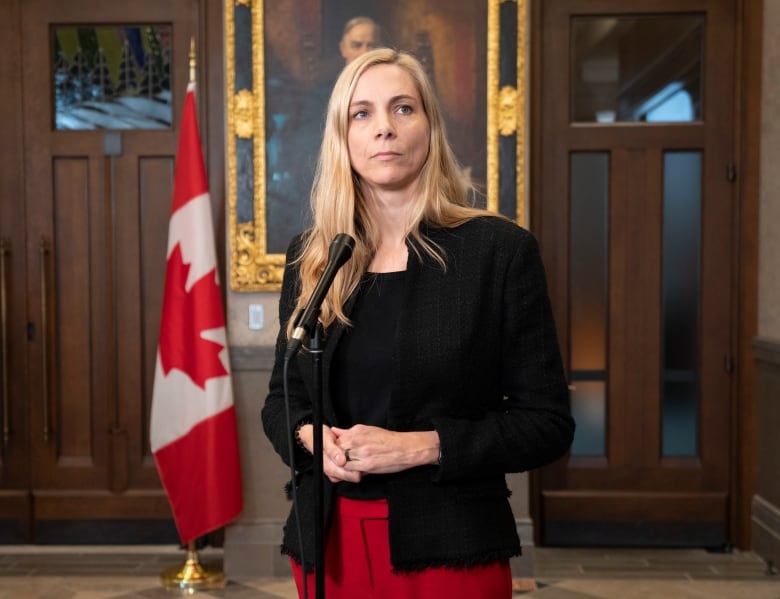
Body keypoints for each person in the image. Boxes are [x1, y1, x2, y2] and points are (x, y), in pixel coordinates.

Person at [261, 48, 575, 599]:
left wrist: (419, 446)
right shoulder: (311, 256)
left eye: (403, 109)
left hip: (452, 547)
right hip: (328, 542)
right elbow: (280, 402)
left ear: (430, 126)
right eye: (362, 113)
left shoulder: (498, 252)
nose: (384, 128)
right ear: (343, 136)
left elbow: (546, 423)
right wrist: (313, 439)